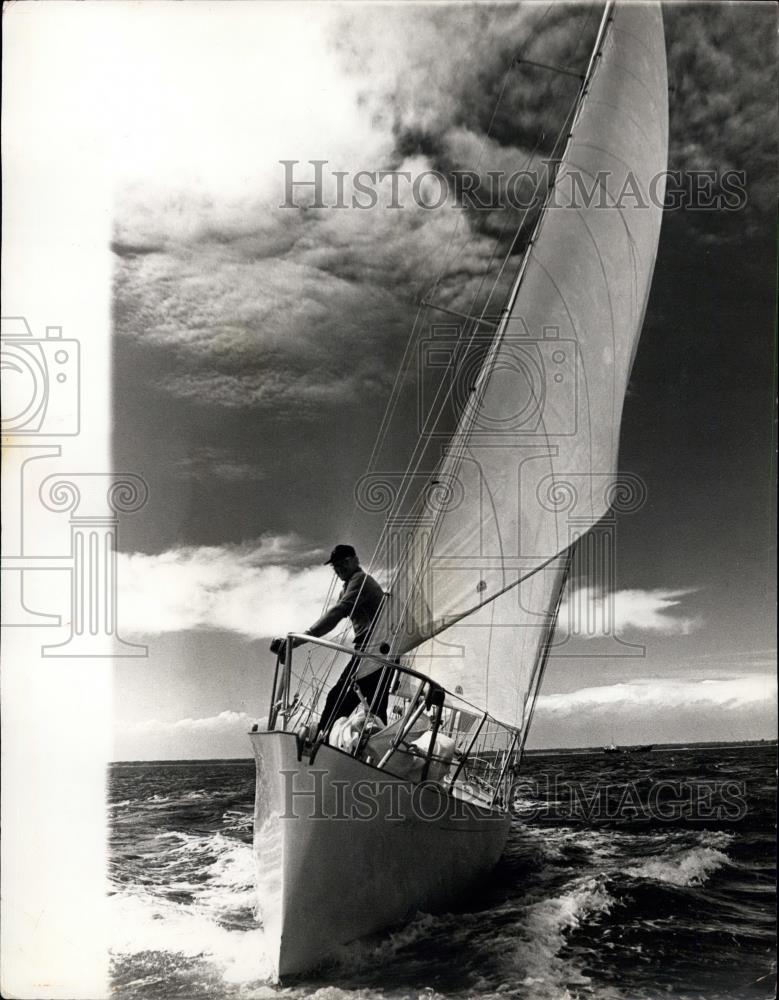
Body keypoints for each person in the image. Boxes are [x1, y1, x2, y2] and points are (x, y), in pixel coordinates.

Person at [271, 544, 391, 737]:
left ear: (354, 560)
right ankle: (376, 753)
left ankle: (321, 742)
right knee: (375, 706)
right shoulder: (349, 587)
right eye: (335, 566)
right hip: (375, 649)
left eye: (343, 564)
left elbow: (339, 611)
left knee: (338, 698)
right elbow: (338, 612)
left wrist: (300, 640)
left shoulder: (360, 580)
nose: (338, 569)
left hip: (376, 648)